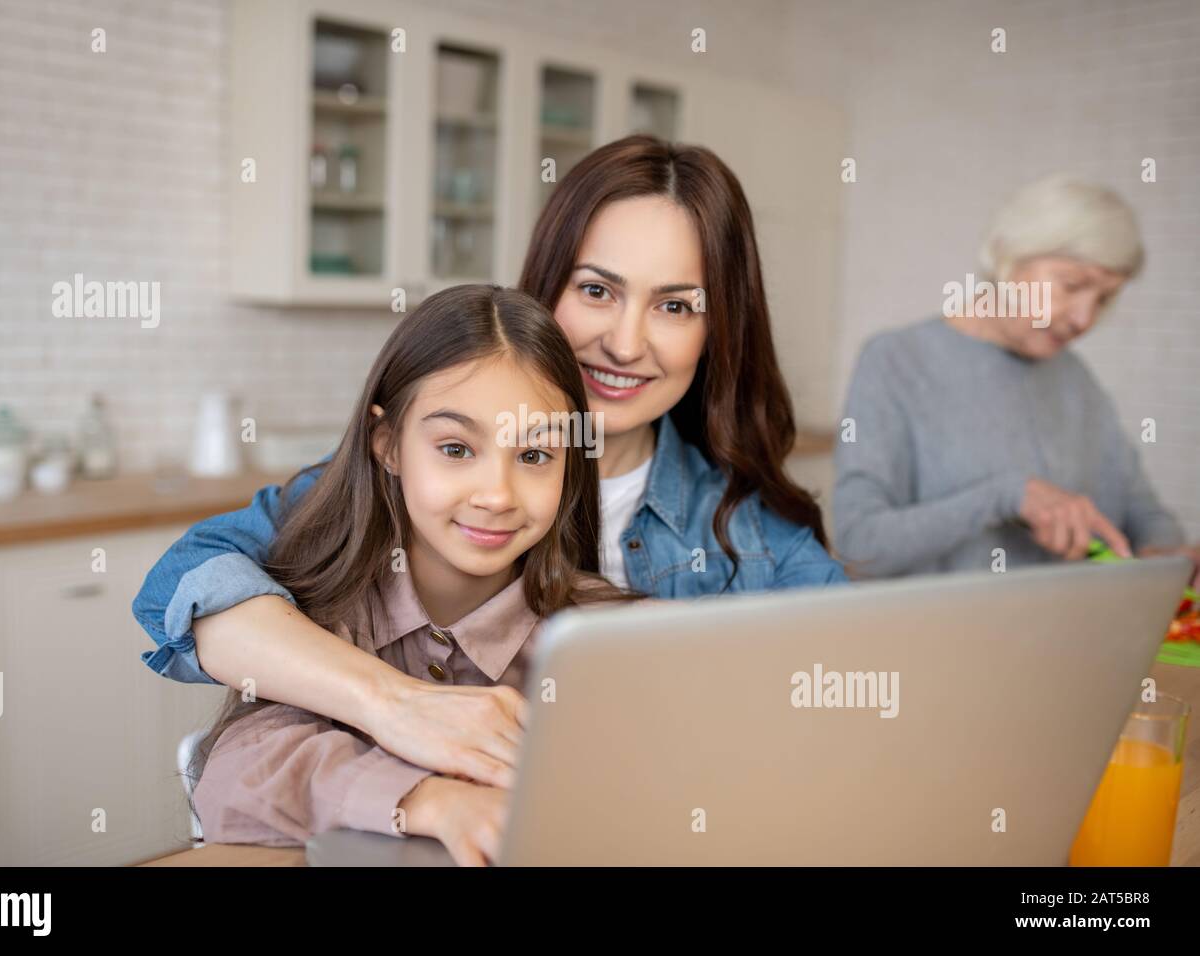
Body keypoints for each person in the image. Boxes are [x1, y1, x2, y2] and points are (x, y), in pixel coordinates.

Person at [134, 135, 847, 798]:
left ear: (717, 328)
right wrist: (393, 705)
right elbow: (189, 586)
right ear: (546, 290)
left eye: (674, 305)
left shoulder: (757, 540)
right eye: (596, 290)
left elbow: (854, 706)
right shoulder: (396, 487)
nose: (626, 344)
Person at [192, 285, 633, 866]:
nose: (497, 495)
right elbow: (238, 772)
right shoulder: (323, 612)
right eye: (455, 448)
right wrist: (428, 800)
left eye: (533, 456)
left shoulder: (601, 633)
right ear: (389, 445)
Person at [834, 175, 1194, 579]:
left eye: (1105, 298)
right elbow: (857, 545)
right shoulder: (896, 361)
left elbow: (1142, 510)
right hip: (941, 640)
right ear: (1006, 256)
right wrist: (1004, 497)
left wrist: (1170, 555)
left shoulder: (1077, 380)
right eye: (1072, 285)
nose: (1084, 319)